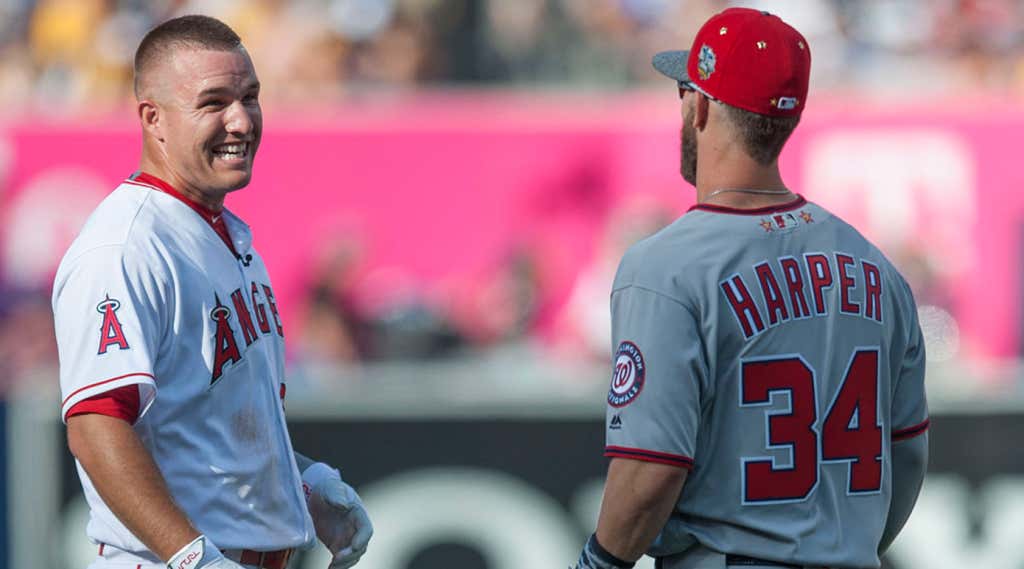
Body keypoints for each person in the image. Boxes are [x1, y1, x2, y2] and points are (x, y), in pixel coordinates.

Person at [574, 8, 928, 569]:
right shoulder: (873, 264)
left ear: (703, 106)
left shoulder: (665, 266)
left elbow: (651, 468)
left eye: (683, 92)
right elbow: (906, 456)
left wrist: (599, 563)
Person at [52, 15, 372, 569]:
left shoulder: (222, 232)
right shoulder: (124, 248)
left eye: (250, 97)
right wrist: (191, 557)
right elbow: (97, 426)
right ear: (153, 118)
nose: (241, 121)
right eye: (213, 102)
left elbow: (205, 431)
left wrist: (303, 484)